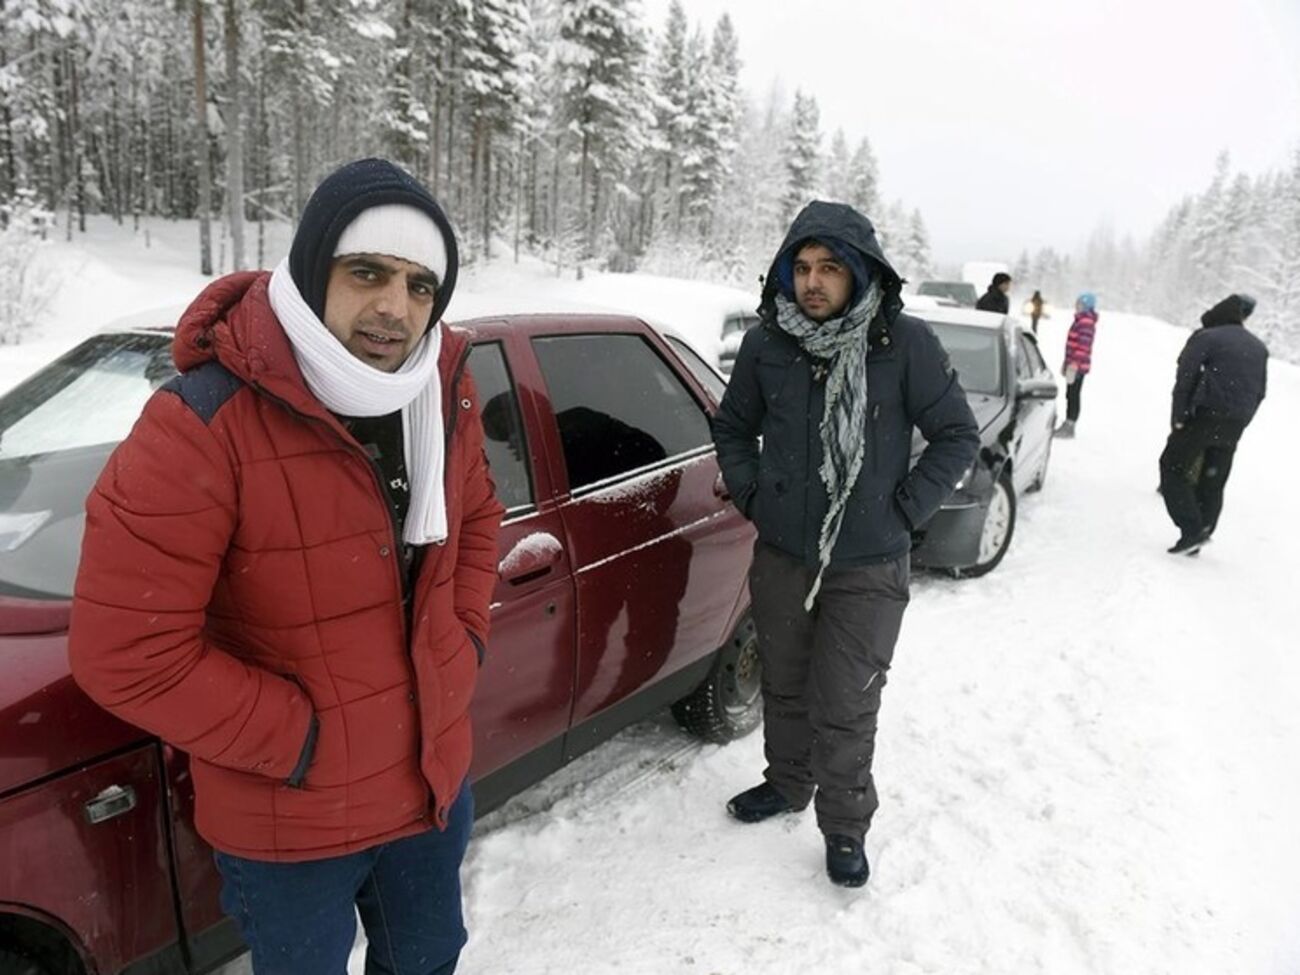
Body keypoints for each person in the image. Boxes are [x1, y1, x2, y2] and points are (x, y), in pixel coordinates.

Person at [68, 158, 505, 974]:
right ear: (312, 269)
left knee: (430, 955)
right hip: (292, 816)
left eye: (420, 286)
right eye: (367, 271)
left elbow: (477, 516)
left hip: (428, 783)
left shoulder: (439, 392)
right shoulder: (203, 422)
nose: (394, 307)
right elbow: (124, 649)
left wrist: (464, 638)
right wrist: (298, 736)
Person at [712, 200, 979, 889]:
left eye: (830, 267)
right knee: (785, 683)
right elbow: (733, 428)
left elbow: (958, 434)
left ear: (861, 273)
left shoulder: (903, 344)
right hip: (783, 554)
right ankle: (787, 782)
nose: (813, 282)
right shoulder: (769, 343)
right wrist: (753, 496)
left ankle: (844, 825)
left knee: (846, 699)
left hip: (867, 564)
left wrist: (905, 511)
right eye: (801, 267)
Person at [1159, 293, 1268, 555]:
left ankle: (1192, 530)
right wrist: (1243, 419)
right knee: (1213, 477)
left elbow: (1185, 378)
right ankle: (1203, 530)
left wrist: (1179, 418)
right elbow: (1260, 391)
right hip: (1236, 422)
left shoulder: (1207, 338)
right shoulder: (1258, 347)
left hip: (1205, 415)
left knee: (1172, 467)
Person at [1055, 292, 1098, 438]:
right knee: (1070, 393)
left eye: (1079, 303)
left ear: (1086, 306)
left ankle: (1070, 425)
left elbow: (1083, 346)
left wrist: (1073, 364)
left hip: (1077, 366)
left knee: (1073, 395)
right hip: (1074, 364)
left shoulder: (1086, 322)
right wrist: (1066, 362)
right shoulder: (1081, 320)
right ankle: (1068, 423)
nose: (1076, 306)